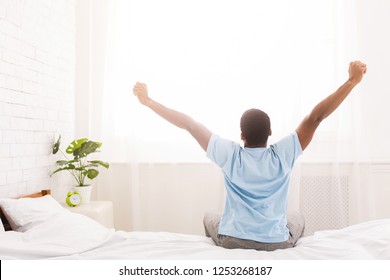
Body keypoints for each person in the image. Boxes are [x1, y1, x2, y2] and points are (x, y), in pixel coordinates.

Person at [133, 61, 367, 251]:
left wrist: (148, 102)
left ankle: (220, 250)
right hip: (275, 242)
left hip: (233, 240)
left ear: (242, 135)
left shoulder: (230, 155)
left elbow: (189, 124)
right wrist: (352, 81)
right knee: (296, 217)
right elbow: (316, 117)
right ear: (270, 133)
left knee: (209, 217)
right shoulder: (283, 154)